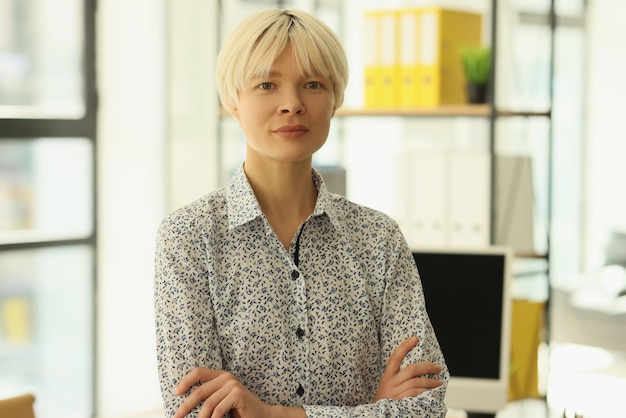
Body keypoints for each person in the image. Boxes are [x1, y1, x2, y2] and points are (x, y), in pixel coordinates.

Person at [154, 8, 449, 418]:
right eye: (266, 85)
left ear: (335, 99)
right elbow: (194, 411)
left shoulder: (378, 239)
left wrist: (272, 415)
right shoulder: (189, 237)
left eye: (312, 84)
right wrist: (373, 409)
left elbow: (426, 407)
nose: (291, 104)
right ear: (233, 102)